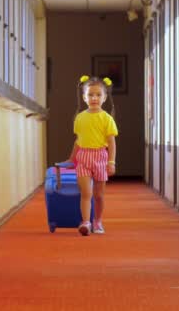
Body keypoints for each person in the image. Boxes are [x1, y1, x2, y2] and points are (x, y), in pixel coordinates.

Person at [64, 75, 118, 236]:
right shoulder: (80, 118)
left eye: (98, 95)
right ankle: (86, 222)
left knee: (99, 195)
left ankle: (98, 221)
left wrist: (111, 162)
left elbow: (112, 143)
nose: (94, 98)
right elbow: (78, 142)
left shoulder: (107, 119)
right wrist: (71, 158)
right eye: (90, 95)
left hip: (101, 157)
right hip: (84, 159)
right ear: (84, 97)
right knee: (86, 193)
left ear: (105, 97)